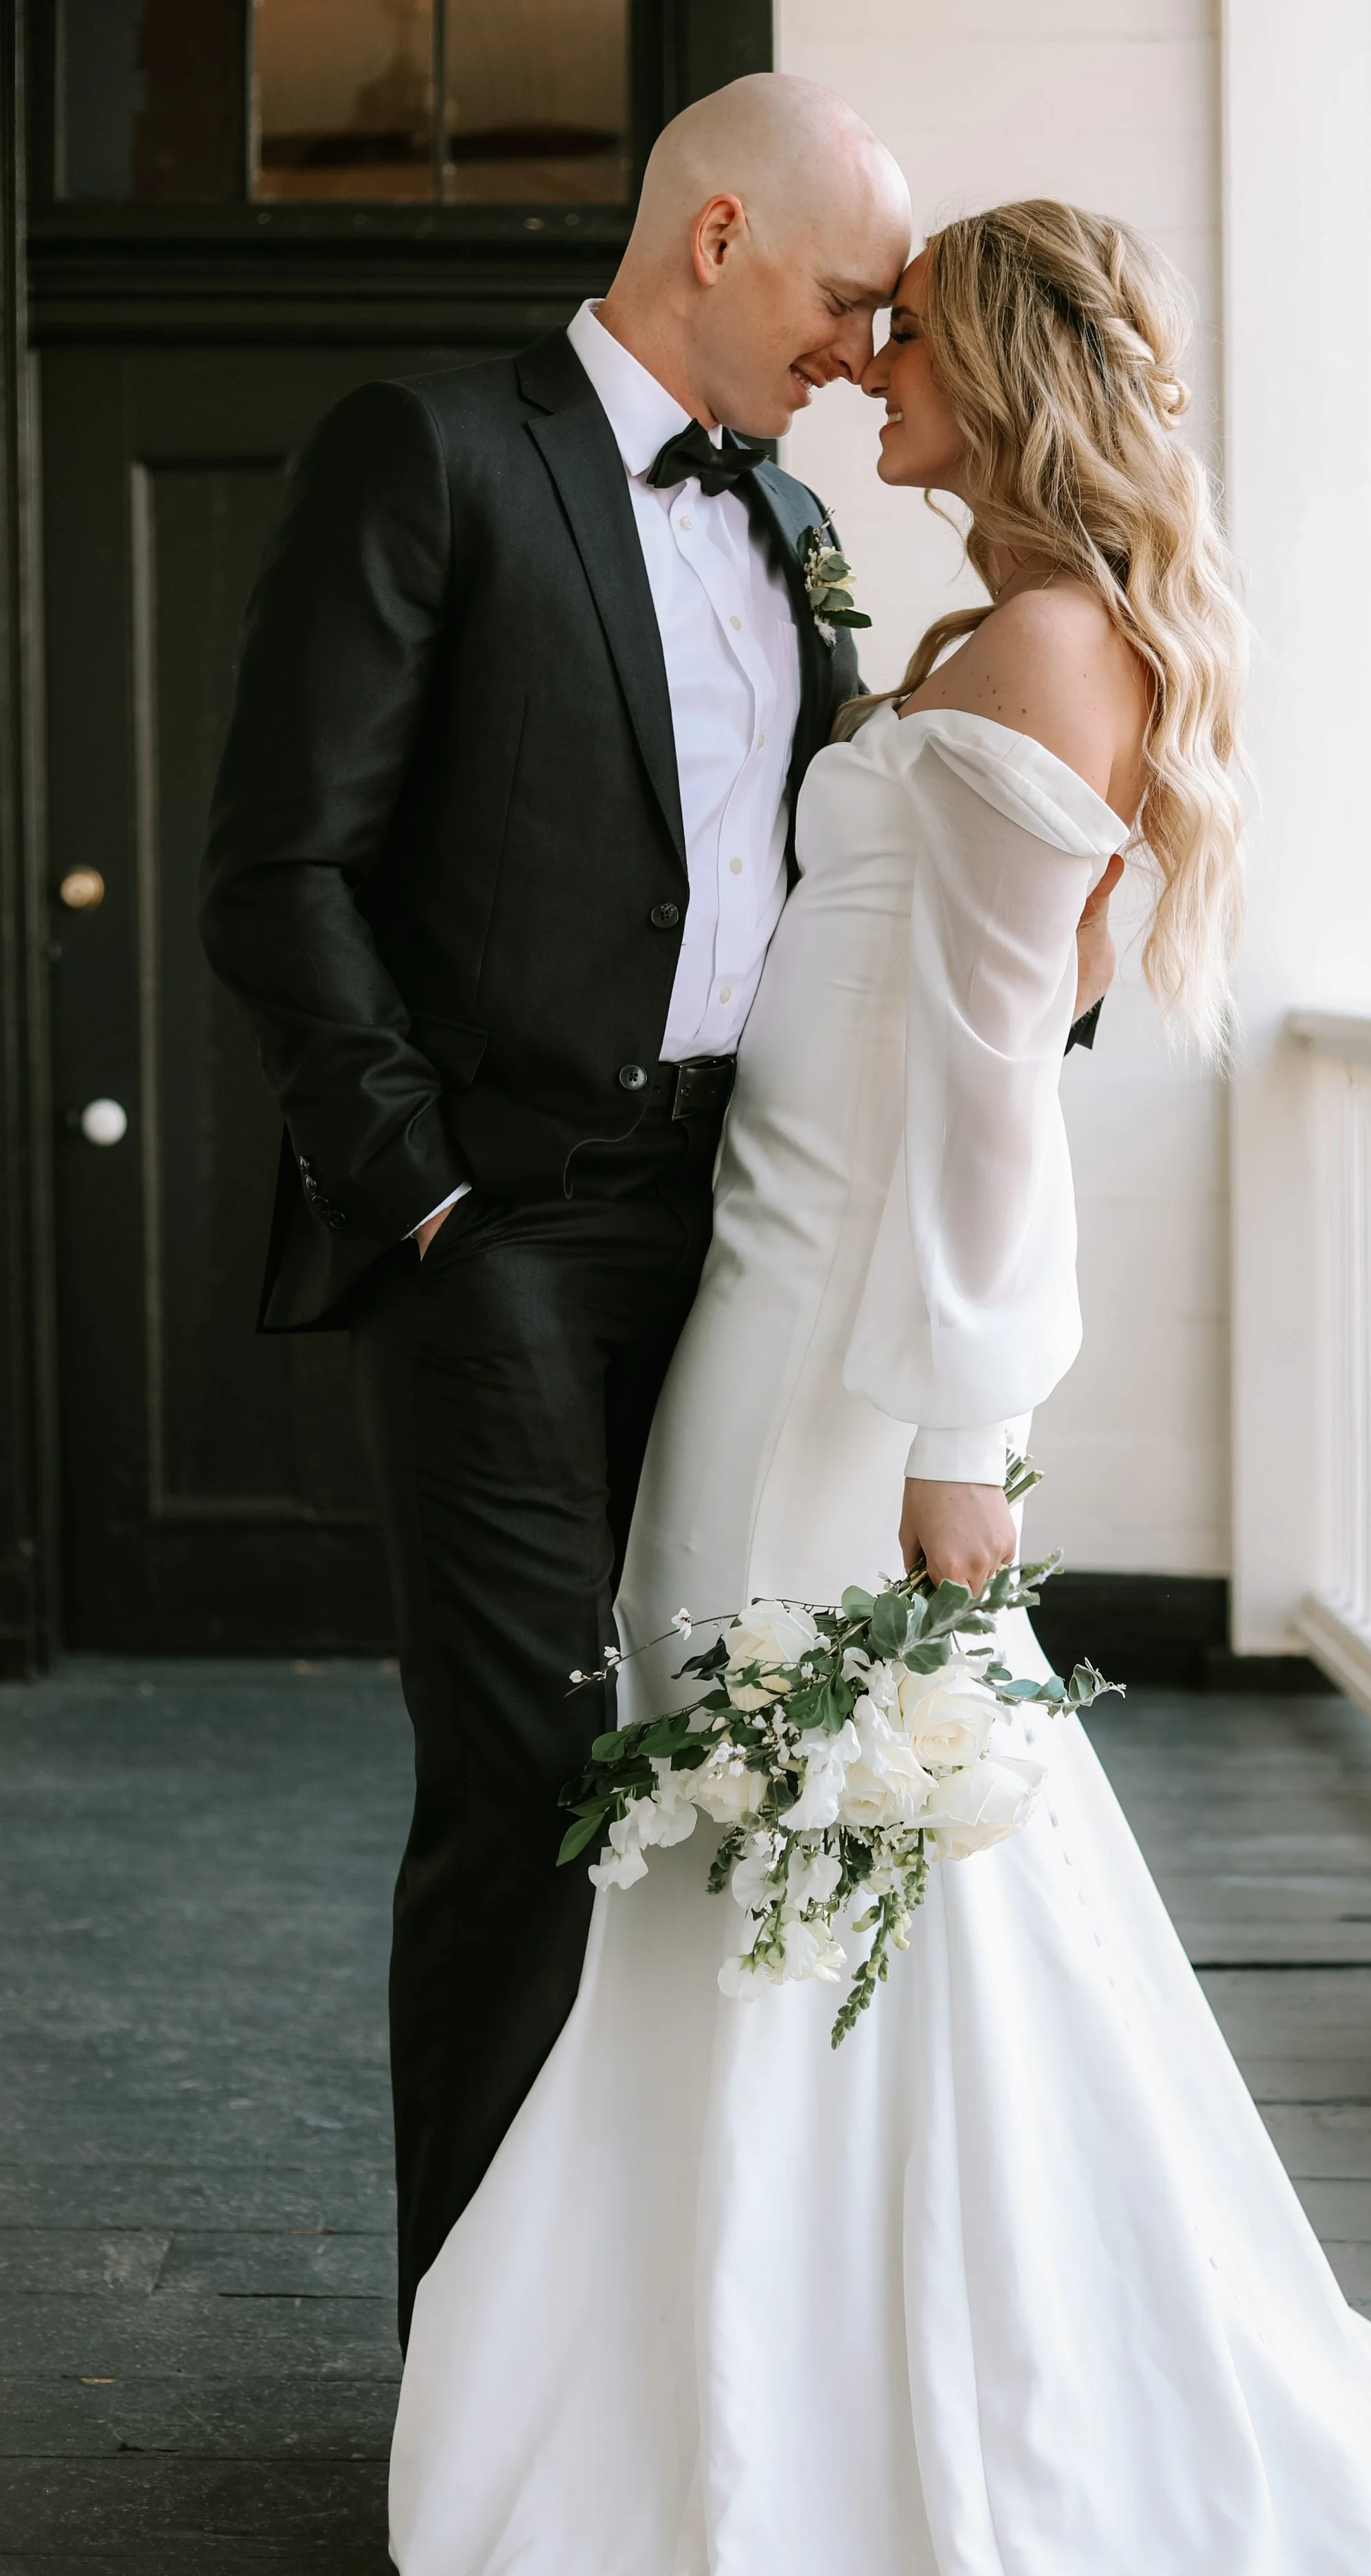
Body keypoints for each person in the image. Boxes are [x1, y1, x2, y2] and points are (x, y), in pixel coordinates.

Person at [388, 200, 1371, 2573]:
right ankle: (746, 2353)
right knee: (751, 1832)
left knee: (823, 1836)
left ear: (996, 384)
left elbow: (1002, 1086)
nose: (865, 381)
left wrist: (948, 1433)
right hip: (767, 1307)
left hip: (838, 1366)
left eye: (902, 350)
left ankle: (868, 2389)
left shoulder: (1047, 652)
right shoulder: (974, 636)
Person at [201, 76, 1103, 2351]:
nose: (856, 346)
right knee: (522, 1776)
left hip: (743, 1250)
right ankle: (479, 2378)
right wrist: (413, 1188)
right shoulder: (431, 453)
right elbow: (276, 865)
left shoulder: (794, 521)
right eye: (837, 297)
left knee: (711, 1746)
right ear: (714, 236)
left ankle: (672, 2341)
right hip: (492, 1226)